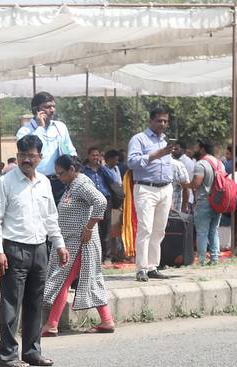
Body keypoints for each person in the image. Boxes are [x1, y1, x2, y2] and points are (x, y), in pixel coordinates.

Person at [0, 134, 67, 367]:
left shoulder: (44, 182)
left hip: (39, 248)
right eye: (22, 155)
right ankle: (7, 356)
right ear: (17, 156)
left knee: (35, 302)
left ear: (40, 157)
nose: (26, 160)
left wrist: (59, 244)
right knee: (11, 303)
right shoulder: (4, 183)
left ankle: (32, 352)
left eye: (31, 156)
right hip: (13, 249)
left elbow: (50, 217)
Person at [42, 155, 111, 336]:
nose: (59, 177)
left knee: (62, 280)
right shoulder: (72, 185)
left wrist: (89, 227)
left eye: (61, 173)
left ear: (72, 170)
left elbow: (101, 201)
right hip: (71, 241)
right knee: (88, 280)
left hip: (80, 244)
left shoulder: (81, 184)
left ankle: (52, 324)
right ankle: (106, 320)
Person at [127, 105, 178, 282]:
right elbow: (131, 162)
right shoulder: (139, 139)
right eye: (159, 120)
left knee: (159, 230)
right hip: (146, 188)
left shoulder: (165, 141)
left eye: (165, 121)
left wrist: (170, 191)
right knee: (145, 229)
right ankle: (141, 268)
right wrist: (155, 155)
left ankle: (152, 267)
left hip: (165, 189)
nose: (162, 124)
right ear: (150, 121)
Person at [17, 91, 77, 200]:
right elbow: (30, 149)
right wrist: (40, 127)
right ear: (36, 110)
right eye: (48, 107)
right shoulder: (25, 131)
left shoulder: (60, 127)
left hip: (60, 182)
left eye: (53, 106)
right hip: (36, 181)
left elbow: (70, 150)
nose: (52, 110)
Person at [189, 139, 225, 267]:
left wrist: (186, 185)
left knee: (202, 232)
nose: (195, 149)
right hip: (218, 202)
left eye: (197, 147)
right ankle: (214, 258)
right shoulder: (220, 164)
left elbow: (196, 183)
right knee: (214, 231)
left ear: (202, 149)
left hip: (204, 201)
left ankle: (202, 260)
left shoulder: (201, 164)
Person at [81, 147, 121, 258]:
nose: (95, 157)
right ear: (88, 156)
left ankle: (106, 256)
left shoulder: (103, 169)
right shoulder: (84, 170)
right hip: (91, 202)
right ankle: (94, 255)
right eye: (93, 155)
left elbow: (113, 179)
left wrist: (102, 166)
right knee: (93, 229)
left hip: (106, 201)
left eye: (97, 155)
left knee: (106, 229)